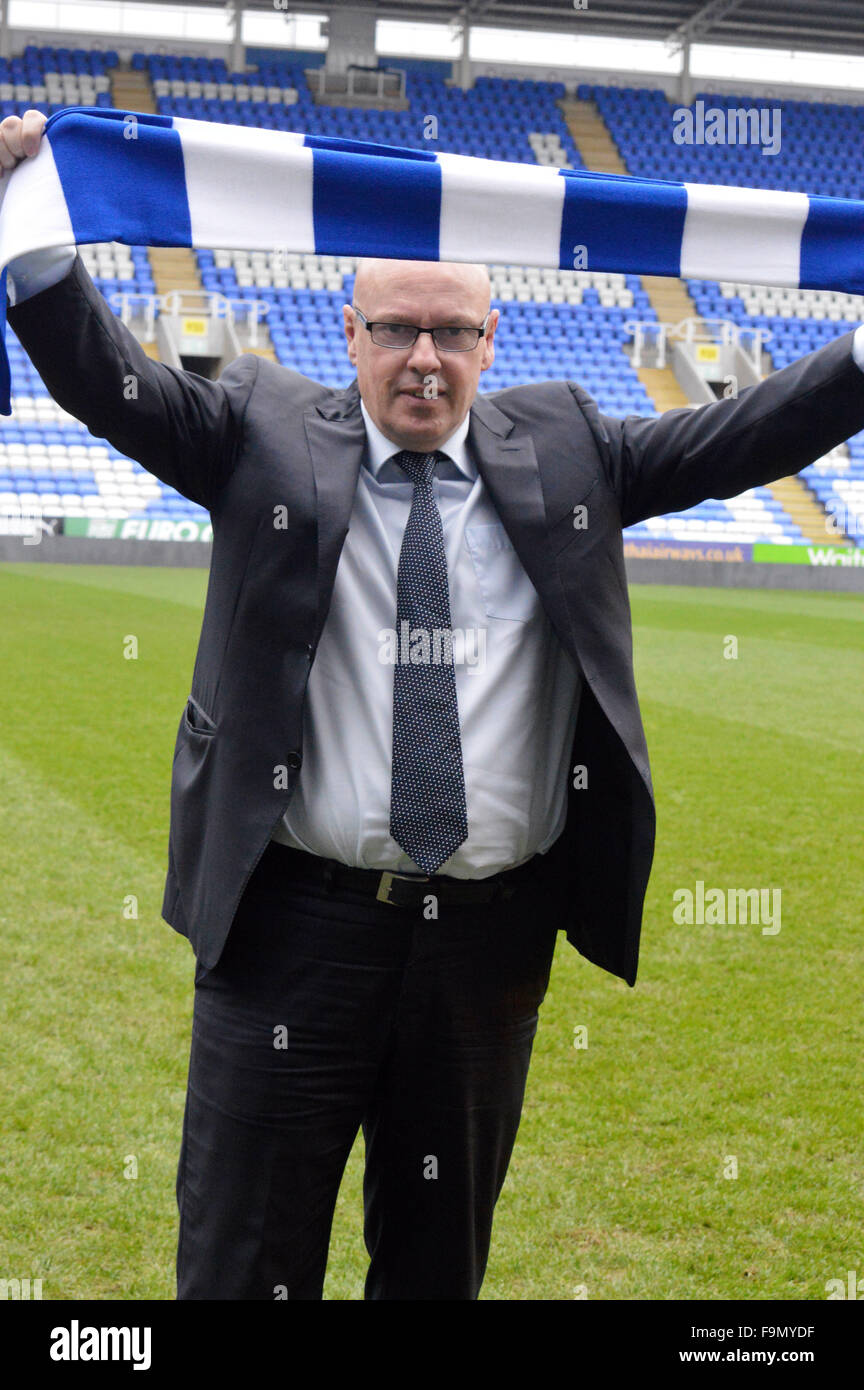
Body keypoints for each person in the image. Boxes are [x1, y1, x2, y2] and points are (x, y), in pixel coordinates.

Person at [4, 109, 864, 1301]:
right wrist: (36, 239)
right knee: (246, 1261)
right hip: (289, 934)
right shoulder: (258, 431)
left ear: (489, 338)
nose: (424, 358)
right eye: (397, 329)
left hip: (484, 950)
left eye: (451, 332)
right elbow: (112, 384)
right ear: (348, 333)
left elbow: (740, 432)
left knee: (434, 1267)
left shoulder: (569, 450)